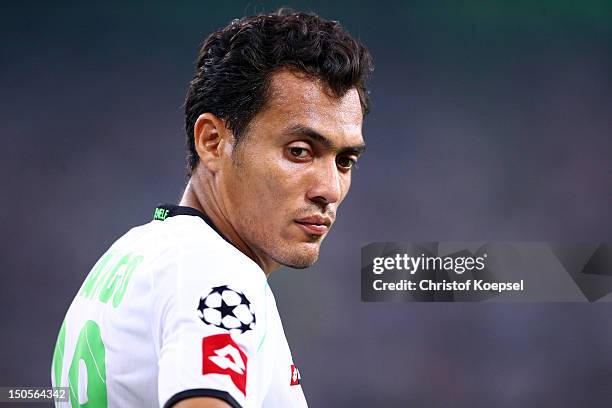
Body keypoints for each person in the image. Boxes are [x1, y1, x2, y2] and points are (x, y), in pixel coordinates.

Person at [51, 8, 373, 408]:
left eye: (345, 162)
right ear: (212, 141)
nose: (329, 189)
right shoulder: (217, 275)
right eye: (299, 151)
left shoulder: (130, 255)